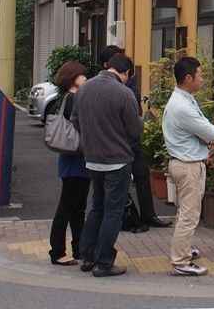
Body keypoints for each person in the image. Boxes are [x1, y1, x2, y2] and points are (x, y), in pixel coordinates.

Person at [74, 53, 139, 277]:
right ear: (126, 73)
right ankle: (103, 262)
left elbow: (75, 120)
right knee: (113, 211)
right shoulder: (124, 93)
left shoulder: (84, 88)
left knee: (97, 207)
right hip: (117, 161)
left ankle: (87, 255)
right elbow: (134, 130)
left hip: (92, 159)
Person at [98, 44, 171, 230]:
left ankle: (149, 215)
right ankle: (128, 218)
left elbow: (136, 103)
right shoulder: (99, 83)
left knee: (142, 173)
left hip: (131, 137)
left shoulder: (129, 79)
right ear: (106, 64)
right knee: (116, 182)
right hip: (113, 141)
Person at [162, 56, 214, 277]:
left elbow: (204, 130)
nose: (202, 78)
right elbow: (210, 132)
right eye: (200, 74)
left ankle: (183, 250)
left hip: (183, 163)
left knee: (186, 212)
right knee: (189, 214)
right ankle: (180, 261)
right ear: (188, 78)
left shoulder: (183, 99)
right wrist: (206, 134)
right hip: (188, 165)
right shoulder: (182, 106)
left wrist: (204, 134)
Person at [48, 62, 90, 266]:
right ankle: (57, 251)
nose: (85, 79)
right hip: (76, 160)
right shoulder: (73, 99)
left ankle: (78, 248)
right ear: (73, 77)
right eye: (82, 76)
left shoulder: (67, 98)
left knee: (76, 208)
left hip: (73, 160)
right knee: (68, 207)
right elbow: (82, 125)